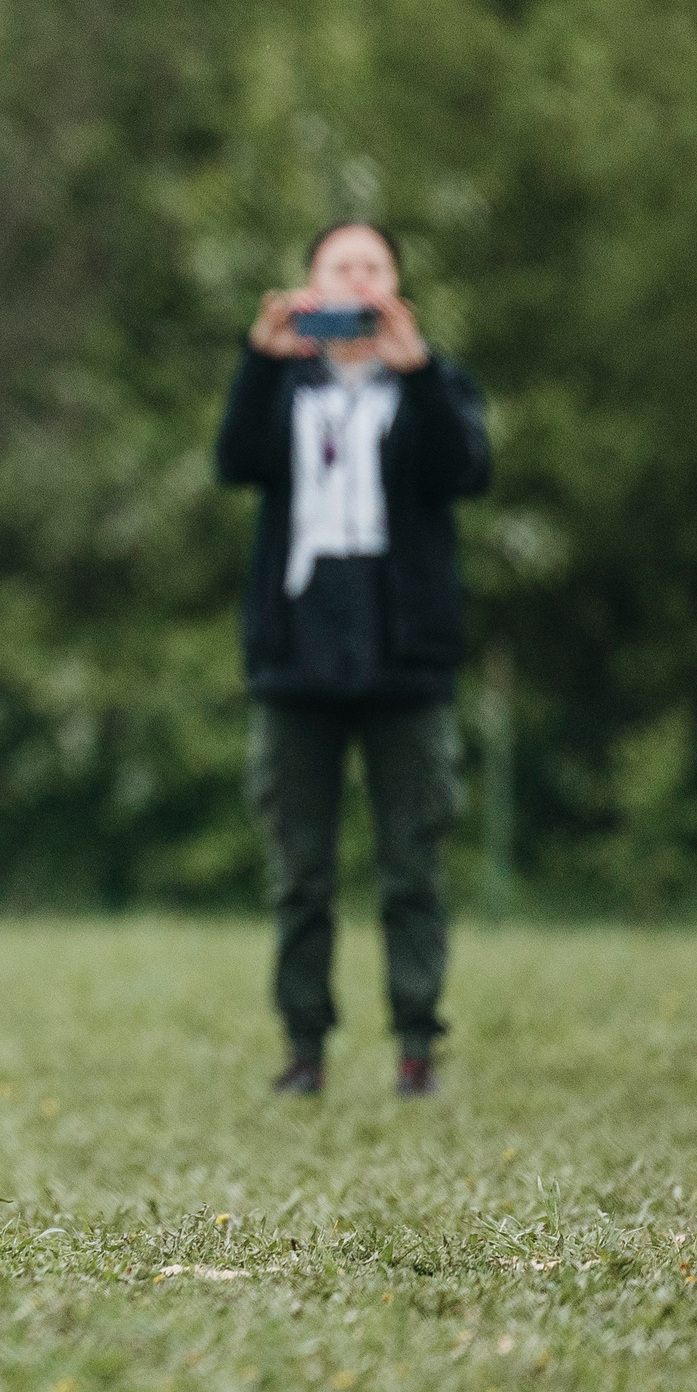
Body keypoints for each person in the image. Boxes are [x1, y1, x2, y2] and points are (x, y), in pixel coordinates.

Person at [215, 222, 490, 1098]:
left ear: (397, 285)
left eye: (374, 267)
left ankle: (416, 1045)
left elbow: (468, 471)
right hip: (298, 656)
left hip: (406, 656)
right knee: (301, 872)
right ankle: (305, 1049)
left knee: (413, 864)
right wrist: (261, 361)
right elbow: (234, 462)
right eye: (343, 267)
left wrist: (418, 373)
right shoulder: (284, 382)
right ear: (311, 286)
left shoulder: (433, 382)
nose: (360, 280)